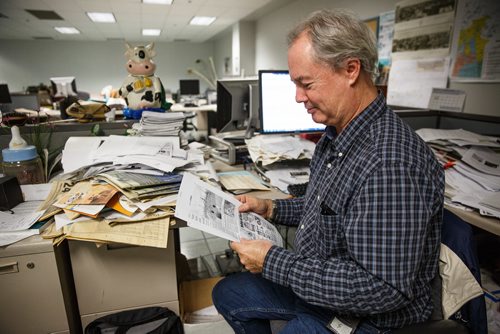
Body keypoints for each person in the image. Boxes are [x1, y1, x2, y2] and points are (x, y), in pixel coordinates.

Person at [212, 8, 444, 334]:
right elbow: (327, 206)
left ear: (350, 70)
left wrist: (273, 262)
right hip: (324, 288)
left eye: (305, 83)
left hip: (367, 317)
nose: (297, 97)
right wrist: (273, 207)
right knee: (228, 291)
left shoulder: (389, 164)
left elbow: (381, 288)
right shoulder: (337, 134)